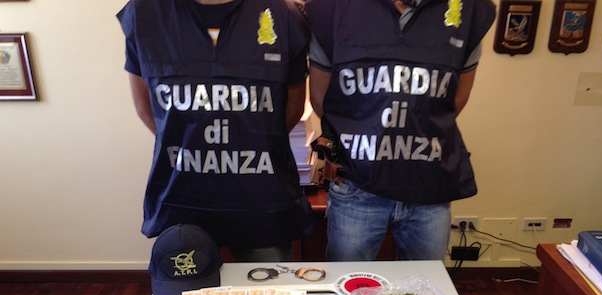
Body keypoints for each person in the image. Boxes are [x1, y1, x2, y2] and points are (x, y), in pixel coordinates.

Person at [117, 0, 314, 262]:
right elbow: (147, 108)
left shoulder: (285, 15)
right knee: (187, 286)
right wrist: (194, 143)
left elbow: (292, 109)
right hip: (182, 199)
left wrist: (249, 141)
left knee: (268, 286)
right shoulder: (144, 13)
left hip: (262, 203)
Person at [305, 0, 496, 261]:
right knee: (348, 280)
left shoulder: (470, 10)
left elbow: (454, 101)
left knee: (425, 283)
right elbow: (321, 99)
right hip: (357, 183)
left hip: (429, 184)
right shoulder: (332, 8)